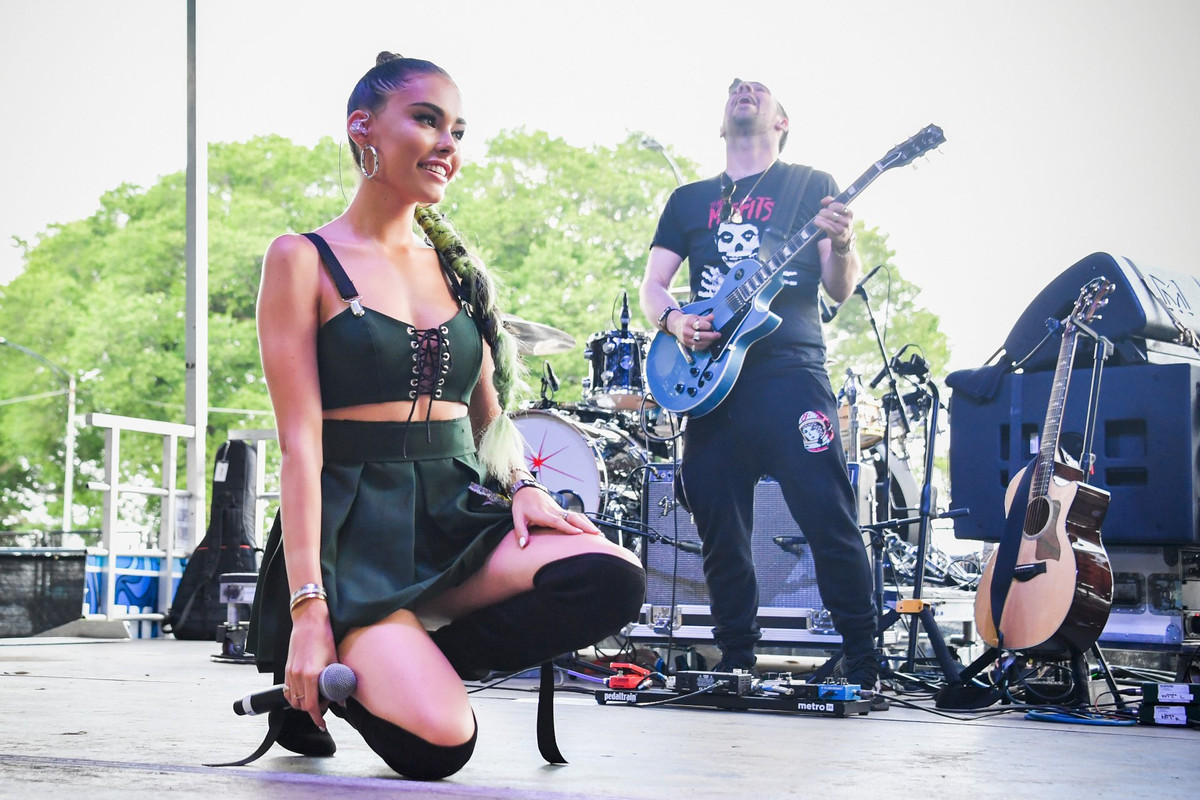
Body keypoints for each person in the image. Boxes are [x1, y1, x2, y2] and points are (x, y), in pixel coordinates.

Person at [246, 52, 645, 781]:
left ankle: (394, 665)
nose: (447, 144)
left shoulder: (457, 269)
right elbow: (299, 448)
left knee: (609, 575)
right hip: (353, 533)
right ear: (362, 128)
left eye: (457, 129)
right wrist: (309, 611)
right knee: (439, 749)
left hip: (454, 512)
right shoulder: (300, 258)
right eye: (426, 120)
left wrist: (525, 488)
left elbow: (490, 416)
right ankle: (339, 662)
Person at [638, 79, 881, 692]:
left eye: (758, 89)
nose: (743, 90)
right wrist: (674, 320)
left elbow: (838, 288)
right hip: (713, 384)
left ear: (782, 121)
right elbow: (653, 287)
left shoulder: (810, 184)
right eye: (734, 89)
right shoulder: (689, 199)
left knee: (830, 518)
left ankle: (865, 660)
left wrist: (845, 242)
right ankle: (737, 661)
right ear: (721, 124)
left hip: (789, 374)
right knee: (721, 530)